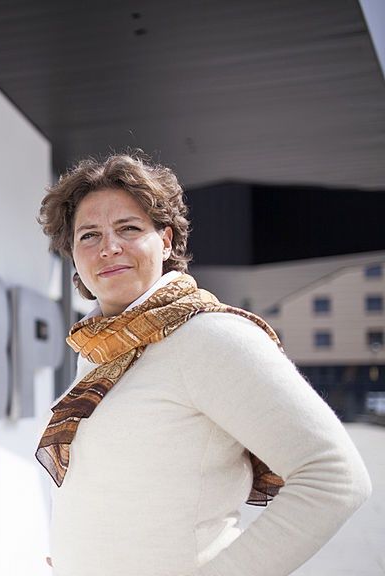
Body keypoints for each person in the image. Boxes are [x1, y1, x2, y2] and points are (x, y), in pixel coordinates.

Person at [35, 152, 371, 576]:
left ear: (166, 240)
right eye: (89, 235)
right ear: (72, 253)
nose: (109, 247)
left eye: (129, 228)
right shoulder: (100, 350)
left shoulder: (208, 336)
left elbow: (336, 477)